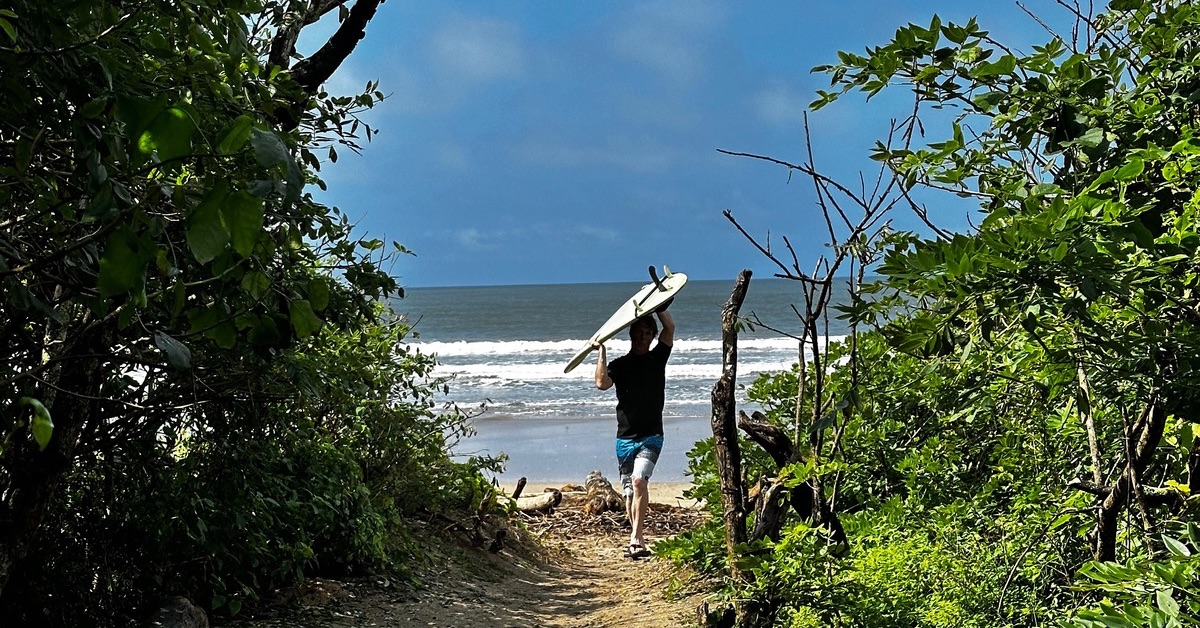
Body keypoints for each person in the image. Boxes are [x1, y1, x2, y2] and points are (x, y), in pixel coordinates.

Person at [594, 303, 674, 559]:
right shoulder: (620, 365)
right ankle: (637, 537)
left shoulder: (658, 357)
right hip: (625, 438)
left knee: (640, 481)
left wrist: (662, 307)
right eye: (638, 334)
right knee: (629, 493)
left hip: (652, 435)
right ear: (631, 336)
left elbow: (670, 328)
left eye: (647, 334)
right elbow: (601, 383)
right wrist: (601, 351)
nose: (642, 338)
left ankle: (636, 539)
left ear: (652, 336)